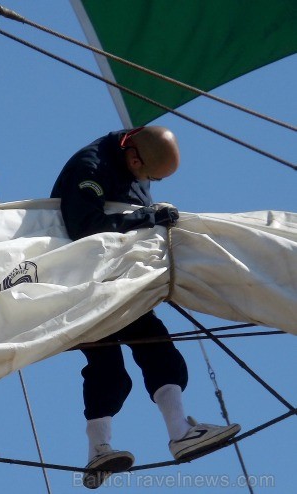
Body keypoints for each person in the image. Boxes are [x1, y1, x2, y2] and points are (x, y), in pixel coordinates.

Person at [50, 126, 241, 489]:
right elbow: (83, 226)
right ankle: (99, 449)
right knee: (108, 367)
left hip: (123, 280)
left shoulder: (133, 158)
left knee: (156, 348)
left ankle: (179, 431)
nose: (151, 182)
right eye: (152, 176)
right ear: (134, 157)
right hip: (84, 282)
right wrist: (146, 218)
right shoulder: (90, 168)